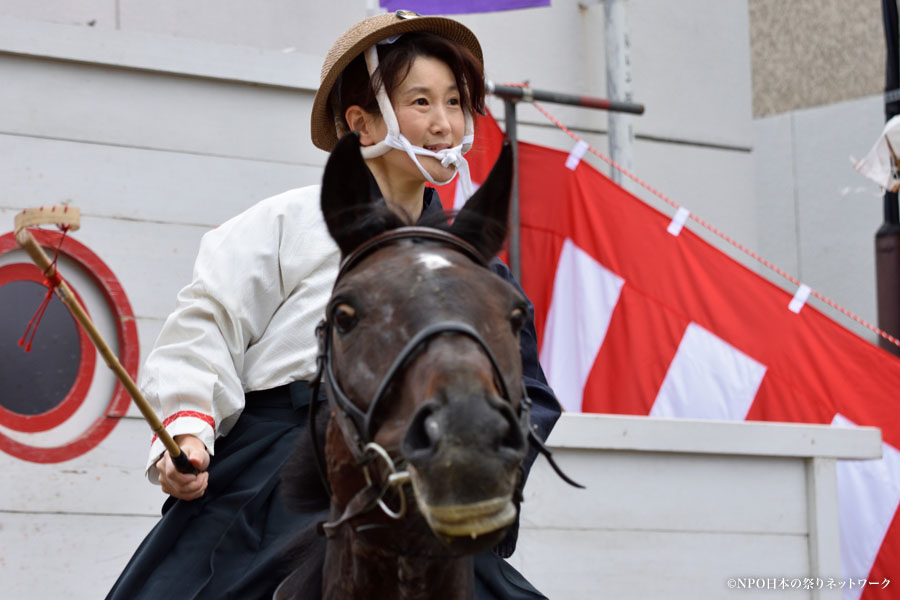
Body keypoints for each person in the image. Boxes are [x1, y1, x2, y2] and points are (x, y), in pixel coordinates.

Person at [106, 10, 561, 600]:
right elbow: (208, 326)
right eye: (421, 102)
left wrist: (472, 473)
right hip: (279, 470)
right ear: (361, 123)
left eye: (455, 102)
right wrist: (189, 431)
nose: (445, 123)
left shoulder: (475, 267)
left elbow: (529, 393)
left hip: (418, 473)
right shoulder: (284, 221)